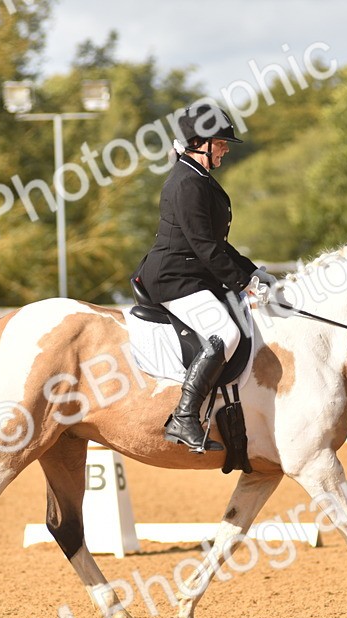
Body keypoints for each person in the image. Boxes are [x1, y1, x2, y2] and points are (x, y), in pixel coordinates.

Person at [133, 102, 276, 453]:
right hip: (174, 277)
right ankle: (184, 416)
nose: (225, 148)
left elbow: (218, 244)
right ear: (200, 142)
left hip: (192, 274)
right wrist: (244, 284)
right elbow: (204, 249)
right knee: (224, 333)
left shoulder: (198, 178)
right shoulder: (186, 183)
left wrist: (252, 270)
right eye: (221, 143)